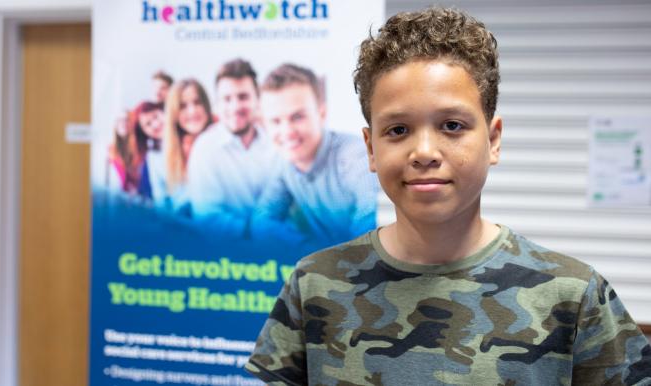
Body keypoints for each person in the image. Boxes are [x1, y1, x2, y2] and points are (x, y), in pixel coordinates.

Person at [246, 7, 651, 385]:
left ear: (493, 140)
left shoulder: (573, 296)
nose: (424, 152)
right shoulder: (314, 283)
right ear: (371, 149)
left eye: (452, 125)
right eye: (398, 130)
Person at [250, 63, 379, 248]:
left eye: (297, 117)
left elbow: (370, 223)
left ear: (322, 113)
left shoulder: (356, 156)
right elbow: (261, 222)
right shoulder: (285, 163)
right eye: (275, 121)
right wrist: (306, 249)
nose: (287, 131)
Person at [187, 58, 276, 237]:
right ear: (217, 103)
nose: (235, 107)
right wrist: (256, 232)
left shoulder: (275, 142)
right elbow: (208, 218)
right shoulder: (205, 149)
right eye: (227, 99)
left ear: (257, 99)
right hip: (226, 257)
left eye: (243, 97)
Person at [156, 78, 213, 215]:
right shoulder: (165, 156)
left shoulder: (224, 142)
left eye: (197, 102)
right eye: (183, 106)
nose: (192, 111)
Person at [133, 101, 165, 201]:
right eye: (148, 124)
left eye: (156, 116)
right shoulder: (153, 157)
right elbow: (160, 196)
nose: (155, 124)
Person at [106, 110, 143, 194]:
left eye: (126, 120)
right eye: (119, 120)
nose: (123, 123)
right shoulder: (110, 150)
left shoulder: (141, 148)